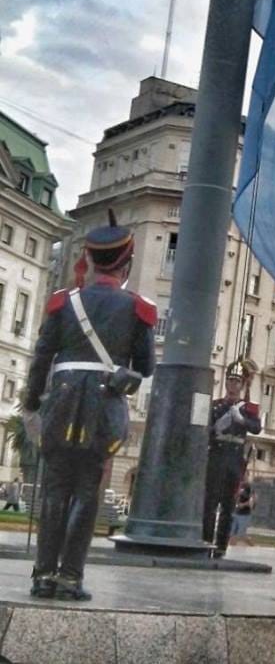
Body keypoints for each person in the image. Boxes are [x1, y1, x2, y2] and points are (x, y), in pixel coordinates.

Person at [23, 212, 156, 600]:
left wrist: (33, 402)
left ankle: (42, 575)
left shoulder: (63, 302)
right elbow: (145, 367)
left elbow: (41, 357)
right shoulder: (138, 308)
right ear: (126, 263)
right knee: (87, 490)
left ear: (92, 260)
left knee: (53, 488)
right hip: (102, 405)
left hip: (61, 403)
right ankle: (70, 578)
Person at [203, 361, 262, 558]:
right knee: (210, 503)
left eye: (237, 381)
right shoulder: (216, 405)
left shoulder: (248, 408)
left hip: (235, 458)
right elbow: (207, 428)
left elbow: (255, 427)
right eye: (230, 380)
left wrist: (240, 419)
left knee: (228, 506)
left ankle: (220, 547)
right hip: (217, 455)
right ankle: (205, 542)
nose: (233, 384)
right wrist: (215, 429)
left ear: (243, 384)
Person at [229, 481, 256, 547]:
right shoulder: (239, 486)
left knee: (241, 535)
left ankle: (252, 546)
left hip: (244, 515)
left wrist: (244, 504)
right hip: (236, 513)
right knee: (231, 533)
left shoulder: (249, 488)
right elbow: (236, 498)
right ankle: (233, 548)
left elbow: (252, 501)